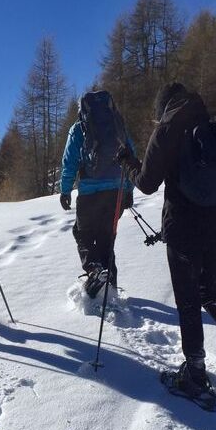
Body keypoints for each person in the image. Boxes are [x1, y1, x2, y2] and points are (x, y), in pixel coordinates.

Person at [117, 82, 216, 398]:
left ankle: (195, 374)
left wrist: (127, 162)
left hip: (185, 229)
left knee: (188, 301)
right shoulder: (211, 126)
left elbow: (146, 183)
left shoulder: (168, 130)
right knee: (211, 291)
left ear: (163, 109)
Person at [59, 90, 135, 298]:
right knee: (106, 241)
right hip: (115, 191)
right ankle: (110, 292)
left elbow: (69, 162)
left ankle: (94, 270)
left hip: (89, 193)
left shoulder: (78, 130)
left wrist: (65, 191)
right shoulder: (117, 125)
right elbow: (131, 156)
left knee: (82, 234)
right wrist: (128, 189)